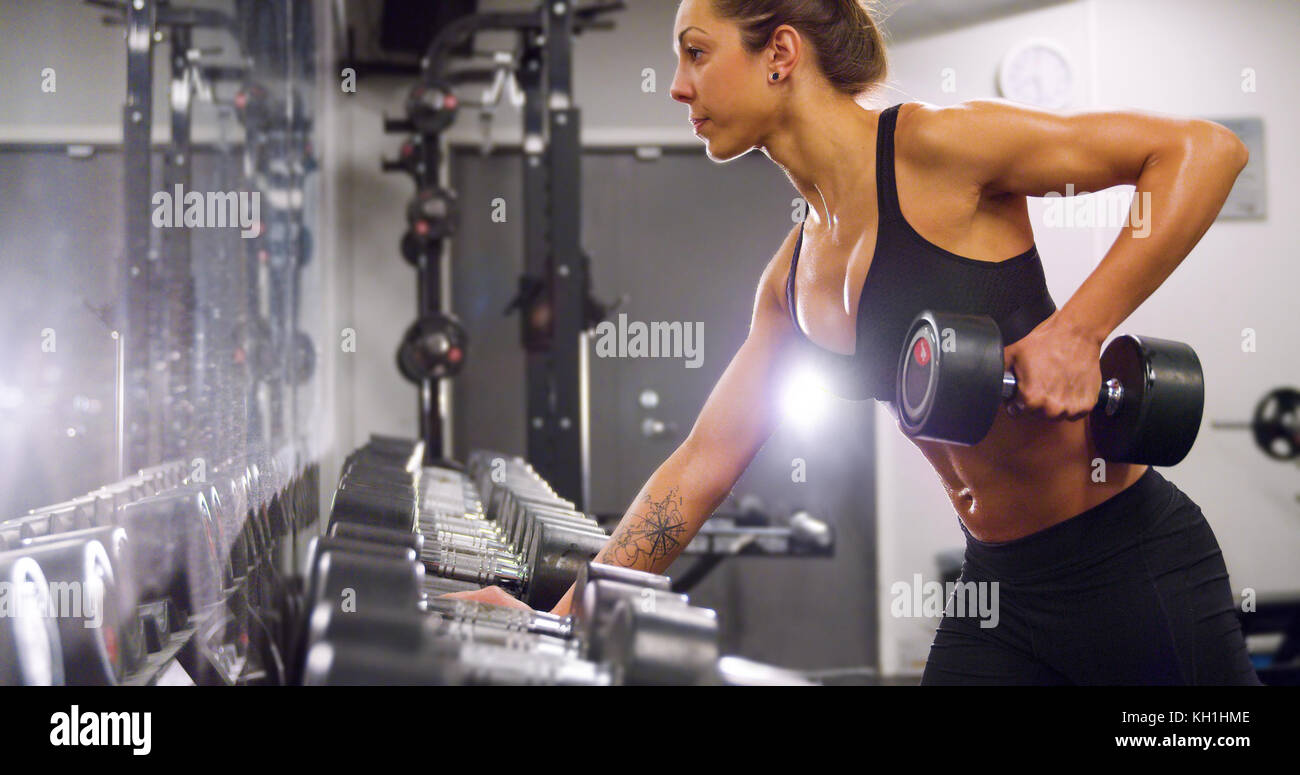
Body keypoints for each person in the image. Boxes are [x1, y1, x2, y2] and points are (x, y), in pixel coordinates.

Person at [451, 0, 1259, 685]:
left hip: (1131, 567)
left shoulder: (937, 149)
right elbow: (701, 464)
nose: (678, 85)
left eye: (697, 53)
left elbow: (1203, 152)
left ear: (780, 54)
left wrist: (1079, 331)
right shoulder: (791, 277)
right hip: (1000, 592)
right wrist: (556, 621)